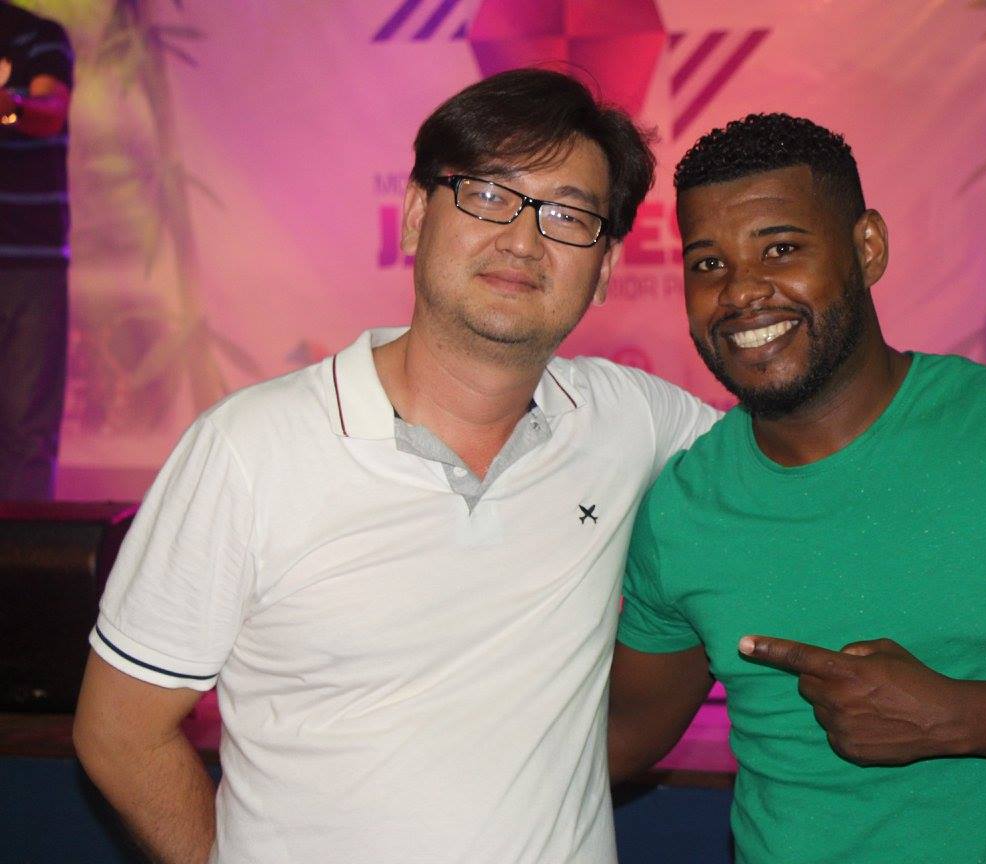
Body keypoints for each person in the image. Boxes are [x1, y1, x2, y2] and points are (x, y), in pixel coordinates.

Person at [72, 69, 720, 864]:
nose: (522, 240)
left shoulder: (630, 421)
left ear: (608, 264)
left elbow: (792, 463)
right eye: (488, 194)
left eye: (566, 214)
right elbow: (120, 730)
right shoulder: (249, 449)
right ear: (416, 215)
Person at [607, 114, 986, 864]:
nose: (741, 291)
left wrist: (956, 715)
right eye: (708, 264)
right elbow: (619, 734)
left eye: (781, 248)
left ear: (867, 248)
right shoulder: (683, 507)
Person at [0, 1, 74, 500]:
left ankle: (24, 546)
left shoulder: (37, 37)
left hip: (31, 259)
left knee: (28, 428)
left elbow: (49, 111)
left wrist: (9, 106)